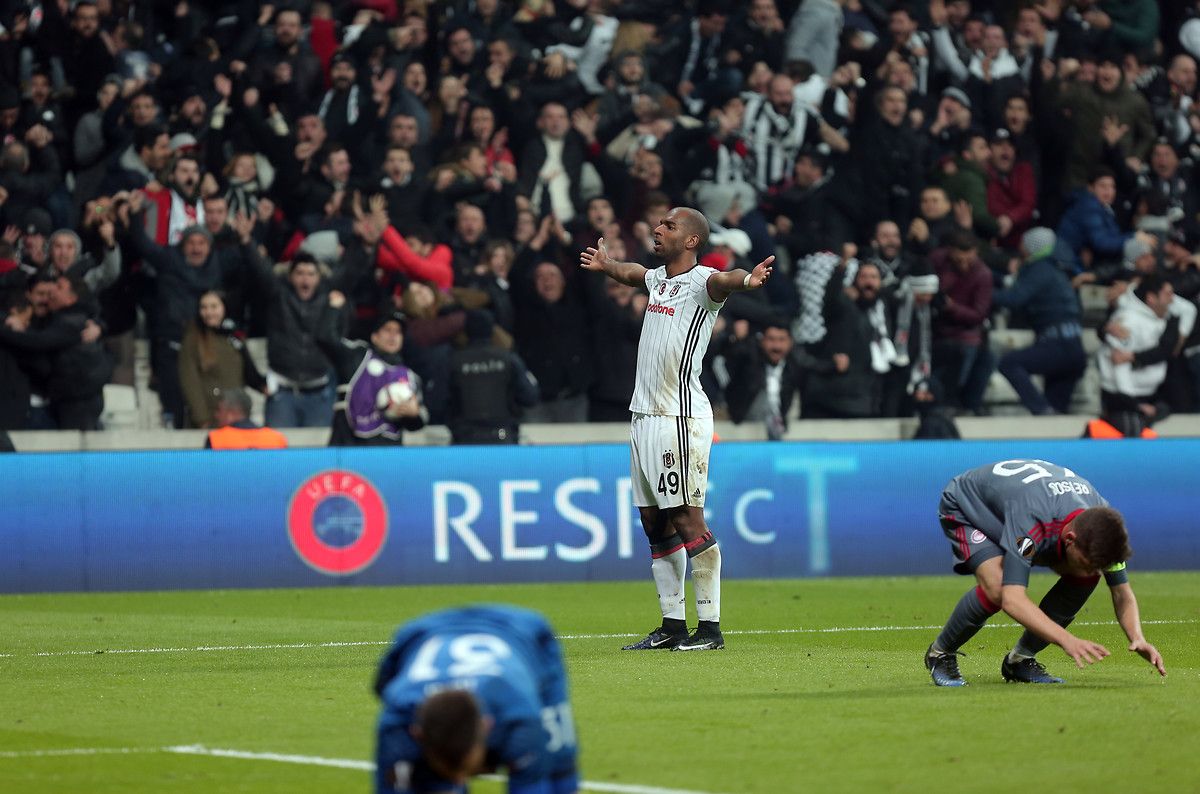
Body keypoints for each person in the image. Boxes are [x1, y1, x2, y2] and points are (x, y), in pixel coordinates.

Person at [579, 206, 774, 652]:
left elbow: (726, 280)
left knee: (687, 516)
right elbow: (633, 274)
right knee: (655, 522)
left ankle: (710, 629)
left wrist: (747, 280)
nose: (657, 228)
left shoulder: (702, 281)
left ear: (691, 240)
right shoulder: (658, 280)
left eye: (669, 225)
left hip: (678, 417)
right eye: (660, 223)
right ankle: (671, 626)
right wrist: (607, 265)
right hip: (644, 416)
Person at [925, 459, 1166, 687]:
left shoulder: (1104, 527)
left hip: (1020, 509)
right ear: (1070, 540)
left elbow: (1122, 592)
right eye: (1089, 562)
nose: (1093, 569)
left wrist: (1137, 637)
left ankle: (1020, 660)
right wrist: (1066, 639)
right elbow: (1012, 599)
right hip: (969, 507)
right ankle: (940, 653)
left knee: (1085, 577)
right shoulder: (1031, 522)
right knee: (997, 588)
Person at [373, 605, 579, 794]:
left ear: (486, 726)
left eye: (463, 768)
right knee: (430, 781)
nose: (461, 779)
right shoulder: (397, 723)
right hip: (417, 636)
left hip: (525, 635)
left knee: (560, 774)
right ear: (416, 734)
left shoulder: (519, 720)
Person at [319, 297, 429, 447]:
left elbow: (419, 421)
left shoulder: (409, 376)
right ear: (375, 337)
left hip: (388, 453)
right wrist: (333, 308)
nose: (393, 336)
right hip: (348, 448)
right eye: (387, 330)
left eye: (398, 332)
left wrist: (413, 415)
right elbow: (325, 337)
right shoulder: (356, 357)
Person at [177, 291, 266, 429]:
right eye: (204, 307)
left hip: (237, 414)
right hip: (211, 415)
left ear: (224, 308)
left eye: (214, 307)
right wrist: (201, 418)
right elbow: (190, 381)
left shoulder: (235, 336)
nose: (208, 312)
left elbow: (249, 371)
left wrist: (263, 386)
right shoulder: (192, 339)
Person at [203, 388, 288, 450]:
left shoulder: (216, 439)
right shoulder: (276, 438)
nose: (216, 415)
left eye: (219, 410)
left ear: (232, 413)